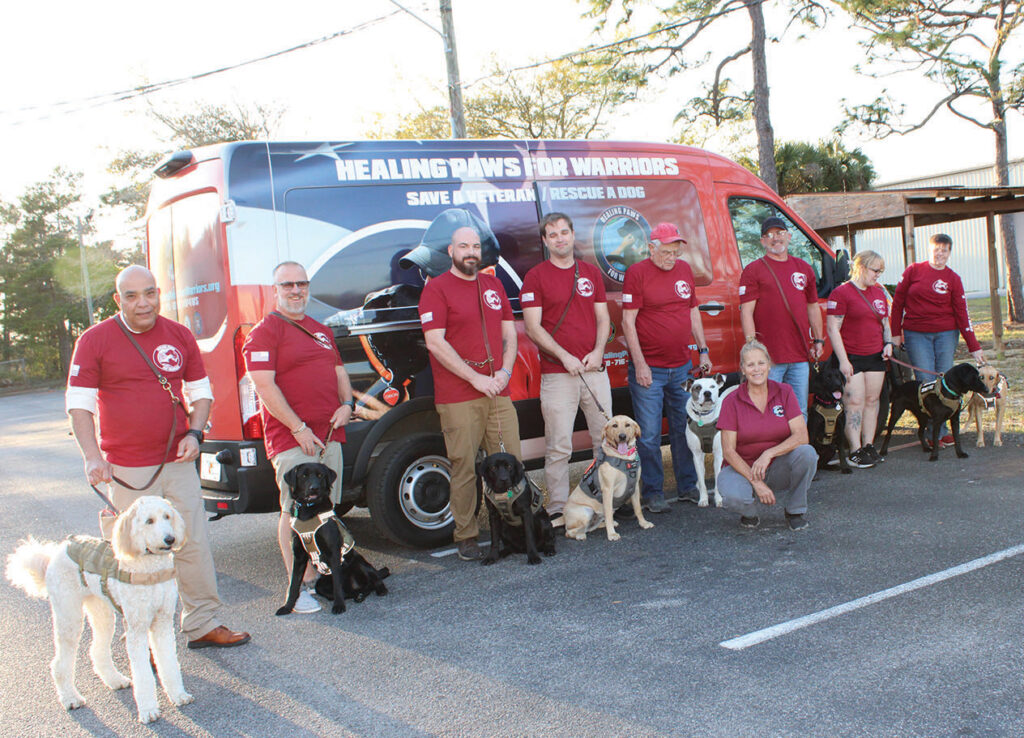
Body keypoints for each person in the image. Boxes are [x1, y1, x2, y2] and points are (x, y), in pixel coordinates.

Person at [66, 265, 250, 649]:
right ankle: (144, 639)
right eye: (132, 296)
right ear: (118, 300)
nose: (143, 303)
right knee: (134, 554)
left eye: (149, 293)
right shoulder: (94, 340)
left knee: (192, 542)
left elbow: (202, 394)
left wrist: (196, 433)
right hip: (127, 469)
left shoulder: (179, 335)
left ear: (159, 294)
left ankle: (202, 622)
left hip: (178, 462)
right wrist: (91, 457)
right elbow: (79, 405)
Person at [244, 261, 355, 614]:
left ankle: (324, 578)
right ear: (274, 290)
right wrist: (298, 428)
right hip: (294, 438)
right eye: (287, 285)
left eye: (301, 284)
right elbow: (264, 385)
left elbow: (339, 373)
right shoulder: (264, 332)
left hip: (329, 435)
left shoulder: (321, 330)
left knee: (325, 511)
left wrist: (348, 404)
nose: (296, 290)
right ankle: (301, 587)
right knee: (294, 512)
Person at [419, 225, 522, 561]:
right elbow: (436, 342)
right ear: (451, 251)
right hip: (458, 395)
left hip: (498, 390)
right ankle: (466, 535)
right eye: (463, 246)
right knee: (464, 466)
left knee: (510, 461)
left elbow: (510, 336)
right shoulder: (436, 289)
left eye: (475, 246)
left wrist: (504, 372)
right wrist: (476, 379)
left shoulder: (493, 285)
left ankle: (515, 526)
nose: (470, 252)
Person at [521, 212, 612, 526]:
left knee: (606, 440)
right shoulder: (535, 277)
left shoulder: (590, 273)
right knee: (559, 445)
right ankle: (558, 507)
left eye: (564, 232)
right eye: (553, 234)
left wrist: (598, 351)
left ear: (573, 235)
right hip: (558, 374)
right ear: (546, 241)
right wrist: (564, 357)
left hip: (594, 370)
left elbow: (604, 320)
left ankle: (603, 501)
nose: (560, 238)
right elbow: (533, 328)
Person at [621, 222, 712, 513]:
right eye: (666, 251)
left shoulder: (684, 271)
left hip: (682, 368)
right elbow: (628, 322)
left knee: (683, 429)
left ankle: (687, 486)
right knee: (647, 436)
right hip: (651, 370)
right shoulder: (637, 274)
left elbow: (693, 312)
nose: (671, 257)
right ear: (651, 248)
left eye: (675, 251)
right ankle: (653, 492)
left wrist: (703, 350)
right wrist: (640, 365)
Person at [890, 232, 986, 444]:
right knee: (926, 383)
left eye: (944, 250)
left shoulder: (953, 278)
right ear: (929, 249)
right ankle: (929, 432)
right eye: (937, 248)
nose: (940, 253)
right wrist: (895, 333)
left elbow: (962, 314)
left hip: (945, 334)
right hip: (916, 334)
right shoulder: (913, 271)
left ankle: (941, 431)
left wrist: (974, 347)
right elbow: (897, 304)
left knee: (946, 383)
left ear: (950, 252)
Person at [717, 341, 817, 530]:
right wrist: (756, 483)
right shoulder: (731, 401)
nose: (757, 369)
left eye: (761, 363)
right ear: (743, 370)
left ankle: (795, 510)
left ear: (769, 365)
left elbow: (802, 436)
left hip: (777, 465)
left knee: (807, 453)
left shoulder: (785, 391)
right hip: (742, 468)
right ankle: (749, 512)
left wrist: (768, 453)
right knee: (732, 497)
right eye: (750, 364)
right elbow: (728, 451)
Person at [740, 216, 825, 418]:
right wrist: (752, 349)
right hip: (769, 359)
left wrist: (819, 339)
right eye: (769, 235)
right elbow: (746, 311)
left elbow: (813, 307)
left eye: (779, 233)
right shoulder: (753, 270)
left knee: (799, 411)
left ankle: (798, 450)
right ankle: (774, 451)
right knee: (769, 412)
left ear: (789, 236)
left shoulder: (804, 268)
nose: (775, 238)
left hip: (799, 356)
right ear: (762, 241)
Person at [826, 250, 893, 469]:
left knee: (872, 401)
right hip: (852, 355)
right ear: (861, 267)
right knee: (854, 402)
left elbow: (884, 321)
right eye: (875, 270)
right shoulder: (841, 293)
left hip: (875, 355)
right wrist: (843, 360)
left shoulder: (879, 292)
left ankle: (868, 445)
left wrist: (889, 343)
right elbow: (833, 328)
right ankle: (854, 449)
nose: (878, 275)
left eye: (881, 271)